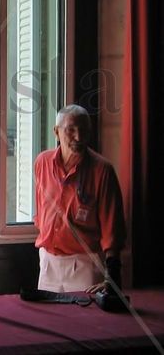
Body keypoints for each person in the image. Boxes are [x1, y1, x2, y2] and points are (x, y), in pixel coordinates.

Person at [33, 104, 126, 294]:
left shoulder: (102, 171)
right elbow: (41, 209)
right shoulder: (42, 162)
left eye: (84, 131)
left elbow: (112, 228)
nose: (78, 137)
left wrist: (112, 275)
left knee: (83, 322)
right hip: (48, 262)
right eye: (71, 130)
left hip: (85, 265)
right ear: (56, 132)